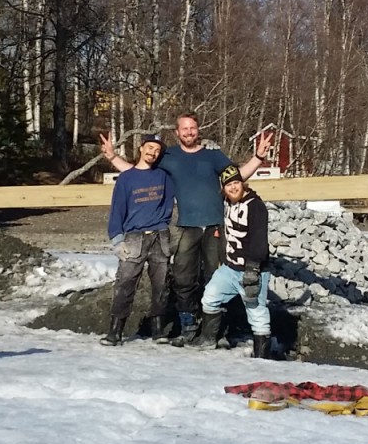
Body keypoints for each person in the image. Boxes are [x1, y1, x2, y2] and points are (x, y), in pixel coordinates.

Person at [98, 114, 274, 341]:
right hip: (186, 227)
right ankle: (188, 327)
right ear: (177, 132)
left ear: (198, 130)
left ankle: (216, 332)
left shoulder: (213, 155)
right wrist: (113, 157)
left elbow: (235, 177)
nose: (189, 132)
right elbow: (138, 171)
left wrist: (258, 157)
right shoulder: (169, 155)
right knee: (183, 279)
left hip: (214, 226)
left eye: (192, 128)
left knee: (215, 278)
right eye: (184, 128)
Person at [175, 163, 275, 358]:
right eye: (228, 185)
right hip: (230, 268)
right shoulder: (226, 202)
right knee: (210, 297)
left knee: (256, 312)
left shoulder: (256, 206)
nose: (233, 187)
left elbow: (259, 239)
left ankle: (262, 355)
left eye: (236, 183)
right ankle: (208, 338)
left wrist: (253, 268)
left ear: (243, 183)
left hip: (252, 269)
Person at [101, 133, 174, 346]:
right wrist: (117, 239)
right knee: (125, 284)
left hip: (160, 236)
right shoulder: (126, 178)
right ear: (141, 148)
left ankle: (158, 330)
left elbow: (169, 202)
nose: (153, 152)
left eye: (157, 150)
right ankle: (115, 332)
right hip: (134, 238)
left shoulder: (164, 176)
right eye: (150, 147)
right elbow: (117, 209)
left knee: (161, 284)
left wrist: (164, 224)